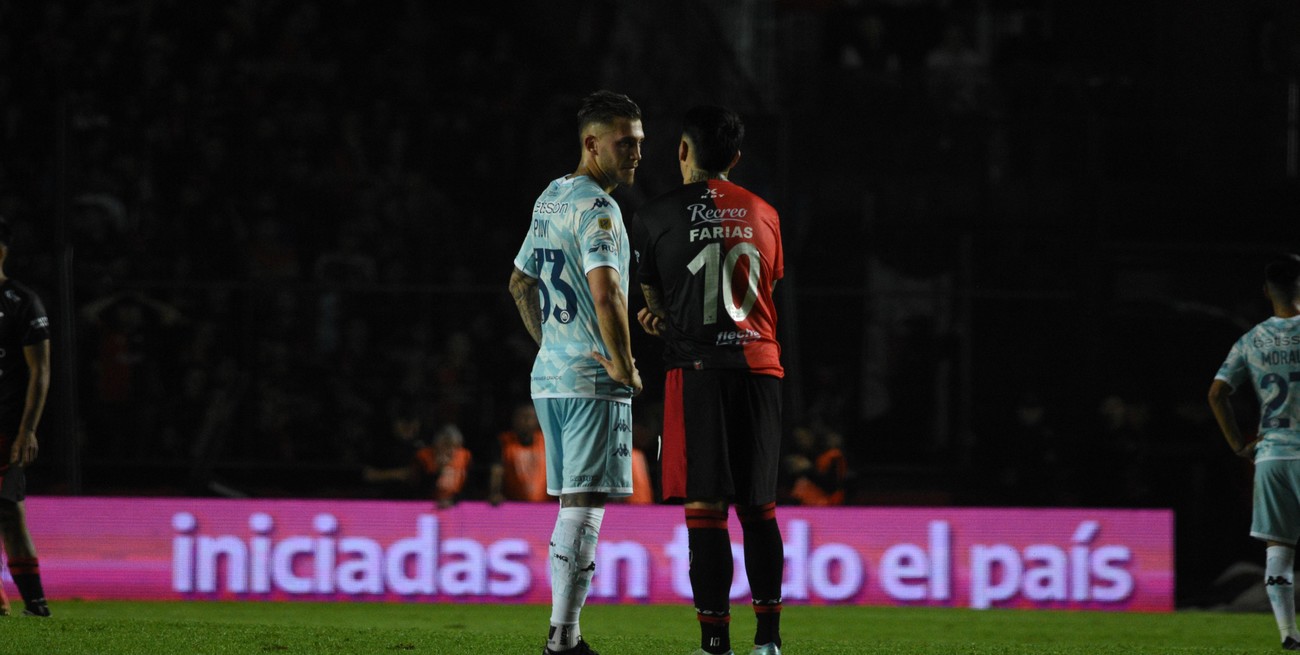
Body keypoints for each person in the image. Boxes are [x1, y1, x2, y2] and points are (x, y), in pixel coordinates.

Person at [631, 105, 785, 655]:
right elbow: (762, 286)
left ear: (682, 150)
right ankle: (768, 640)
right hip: (760, 370)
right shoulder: (765, 213)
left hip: (696, 372)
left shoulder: (653, 216)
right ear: (736, 159)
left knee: (706, 510)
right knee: (759, 507)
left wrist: (661, 320)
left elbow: (656, 300)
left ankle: (715, 642)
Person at [508, 90, 644, 655]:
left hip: (551, 378)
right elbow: (607, 292)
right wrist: (624, 365)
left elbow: (519, 283)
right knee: (585, 505)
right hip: (591, 381)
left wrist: (554, 347)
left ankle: (568, 636)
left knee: (573, 502)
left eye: (640, 143)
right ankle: (562, 641)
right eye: (624, 143)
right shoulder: (598, 209)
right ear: (592, 143)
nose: (636, 153)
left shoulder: (550, 196)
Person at [1208, 253, 1300, 651]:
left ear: (1266, 292)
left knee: (1278, 547)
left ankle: (1288, 633)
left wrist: (1237, 446)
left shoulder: (1252, 339)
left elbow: (1216, 394)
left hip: (1272, 456)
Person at [0, 218, 52, 617]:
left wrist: (28, 429)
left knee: (8, 512)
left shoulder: (22, 301)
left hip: (6, 427)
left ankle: (35, 605)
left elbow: (40, 370)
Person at [488, 402, 550, 504]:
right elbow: (497, 471)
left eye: (530, 417)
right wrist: (495, 492)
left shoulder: (547, 440)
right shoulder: (504, 442)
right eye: (522, 417)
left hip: (545, 506)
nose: (526, 421)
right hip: (514, 505)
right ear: (514, 420)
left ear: (537, 420)